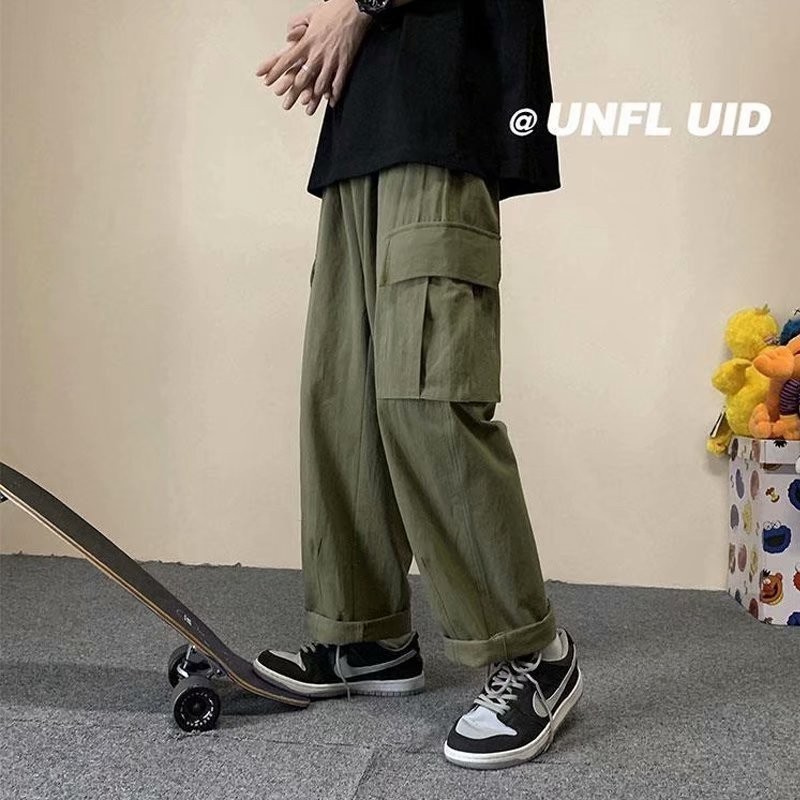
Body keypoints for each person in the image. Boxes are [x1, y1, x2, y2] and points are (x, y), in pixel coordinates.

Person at [252, 0, 582, 770]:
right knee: (341, 398)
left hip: (442, 117)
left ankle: (536, 655)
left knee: (427, 393)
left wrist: (358, 6)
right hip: (361, 130)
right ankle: (366, 636)